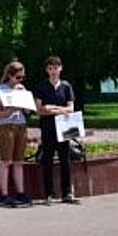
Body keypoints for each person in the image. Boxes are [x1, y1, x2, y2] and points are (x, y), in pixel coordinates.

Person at [35, 56, 79, 205]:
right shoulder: (42, 86)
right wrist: (59, 110)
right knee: (47, 161)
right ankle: (49, 194)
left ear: (61, 68)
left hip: (65, 128)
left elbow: (71, 108)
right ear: (47, 70)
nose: (54, 71)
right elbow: (39, 109)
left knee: (65, 161)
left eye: (56, 67)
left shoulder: (66, 86)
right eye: (50, 68)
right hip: (48, 128)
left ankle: (67, 193)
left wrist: (52, 108)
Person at [0, 61, 32, 207]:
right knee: (5, 161)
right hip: (6, 127)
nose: (20, 80)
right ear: (10, 75)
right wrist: (9, 110)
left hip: (21, 126)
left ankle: (20, 192)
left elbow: (28, 111)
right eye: (17, 77)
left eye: (22, 77)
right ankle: (3, 194)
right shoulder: (1, 90)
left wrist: (25, 103)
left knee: (18, 162)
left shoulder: (22, 89)